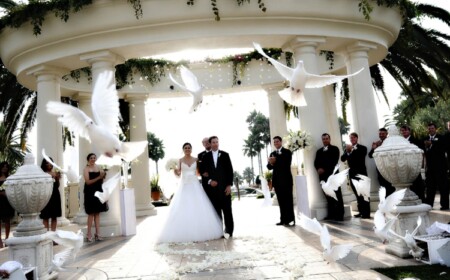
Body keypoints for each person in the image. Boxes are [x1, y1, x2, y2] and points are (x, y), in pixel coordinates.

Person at [157, 143, 223, 243]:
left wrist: (204, 173)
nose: (187, 149)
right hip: (184, 186)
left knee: (198, 206)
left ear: (191, 149)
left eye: (189, 148)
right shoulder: (180, 160)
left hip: (195, 185)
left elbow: (197, 173)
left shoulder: (196, 160)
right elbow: (178, 175)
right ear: (183, 149)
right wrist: (175, 171)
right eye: (185, 148)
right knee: (183, 207)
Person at [202, 136, 235, 236]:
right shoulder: (205, 157)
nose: (215, 144)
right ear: (210, 144)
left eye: (217, 142)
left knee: (227, 211)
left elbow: (230, 171)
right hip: (212, 190)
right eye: (213, 142)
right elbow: (203, 173)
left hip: (225, 189)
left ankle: (229, 231)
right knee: (216, 212)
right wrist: (210, 181)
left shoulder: (225, 155)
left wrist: (229, 185)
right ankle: (218, 232)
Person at [314, 133, 344, 221]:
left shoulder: (335, 149)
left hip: (333, 176)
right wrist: (318, 169)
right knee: (328, 196)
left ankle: (340, 215)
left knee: (337, 195)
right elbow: (316, 162)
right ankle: (331, 214)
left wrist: (324, 169)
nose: (325, 140)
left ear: (329, 139)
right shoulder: (319, 151)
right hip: (323, 177)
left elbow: (334, 161)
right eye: (323, 139)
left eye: (326, 138)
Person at [267, 136, 295, 226]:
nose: (276, 143)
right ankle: (283, 220)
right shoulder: (272, 153)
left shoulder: (287, 152)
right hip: (277, 182)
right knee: (281, 202)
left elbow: (286, 164)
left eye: (277, 141)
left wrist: (275, 161)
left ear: (281, 142)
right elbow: (269, 167)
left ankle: (291, 220)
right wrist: (271, 162)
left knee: (288, 201)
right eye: (274, 142)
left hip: (286, 181)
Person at [341, 132, 370, 219]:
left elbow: (359, 158)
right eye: (350, 138)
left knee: (364, 194)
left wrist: (350, 152)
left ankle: (366, 213)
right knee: (357, 194)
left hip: (361, 175)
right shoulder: (347, 149)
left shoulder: (363, 148)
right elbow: (342, 159)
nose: (352, 139)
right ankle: (360, 212)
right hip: (352, 175)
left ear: (357, 138)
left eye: (353, 138)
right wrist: (347, 152)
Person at [422, 123, 449, 210]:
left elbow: (444, 148)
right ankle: (429, 204)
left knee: (443, 187)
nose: (431, 130)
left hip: (441, 167)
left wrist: (432, 144)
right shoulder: (424, 139)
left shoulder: (442, 138)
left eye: (432, 128)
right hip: (430, 168)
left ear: (435, 129)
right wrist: (427, 147)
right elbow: (423, 151)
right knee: (430, 188)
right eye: (429, 128)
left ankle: (444, 205)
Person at [83, 153, 108, 242]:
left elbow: (102, 179)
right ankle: (88, 233)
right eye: (91, 158)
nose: (93, 159)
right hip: (90, 192)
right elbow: (88, 182)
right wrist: (99, 177)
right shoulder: (86, 169)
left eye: (94, 158)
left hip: (98, 191)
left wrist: (103, 175)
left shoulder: (98, 167)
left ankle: (98, 233)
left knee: (97, 213)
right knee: (91, 213)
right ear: (88, 159)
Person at [400, 125, 425, 202]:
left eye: (405, 130)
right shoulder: (400, 142)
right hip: (404, 165)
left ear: (409, 131)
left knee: (418, 183)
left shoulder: (416, 140)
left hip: (414, 165)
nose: (403, 132)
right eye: (402, 130)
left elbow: (421, 152)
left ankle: (421, 199)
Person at [368, 128, 395, 197]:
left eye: (383, 134)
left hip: (390, 168)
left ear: (387, 134)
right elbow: (370, 155)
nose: (381, 135)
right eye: (380, 134)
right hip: (380, 169)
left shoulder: (391, 142)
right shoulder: (377, 143)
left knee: (391, 187)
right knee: (383, 187)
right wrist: (374, 148)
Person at [39, 157, 62, 232]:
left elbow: (57, 185)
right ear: (44, 164)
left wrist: (57, 178)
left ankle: (53, 236)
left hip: (55, 195)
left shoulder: (55, 173)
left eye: (50, 163)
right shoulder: (42, 174)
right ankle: (47, 235)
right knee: (45, 217)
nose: (49, 164)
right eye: (47, 163)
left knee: (54, 217)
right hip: (46, 196)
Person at [0, 162, 14, 248]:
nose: (5, 168)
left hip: (7, 202)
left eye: (6, 167)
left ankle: (7, 239)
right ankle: (0, 241)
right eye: (3, 166)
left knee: (7, 220)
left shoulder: (9, 178)